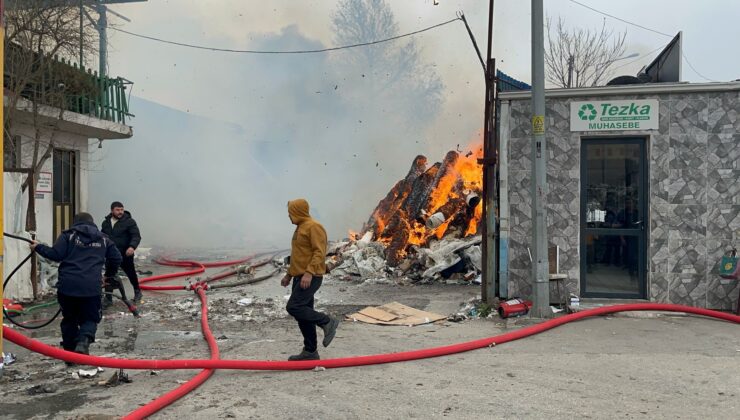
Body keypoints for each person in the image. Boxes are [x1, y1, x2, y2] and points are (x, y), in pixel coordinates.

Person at [31, 212, 122, 356]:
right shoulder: (104, 239)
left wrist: (38, 247)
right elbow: (116, 258)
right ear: (92, 223)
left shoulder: (69, 236)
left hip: (67, 286)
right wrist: (109, 275)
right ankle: (84, 341)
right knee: (90, 317)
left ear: (75, 222)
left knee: (69, 319)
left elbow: (55, 255)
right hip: (91, 287)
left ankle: (69, 355)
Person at [281, 199, 339, 361]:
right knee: (303, 314)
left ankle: (327, 321)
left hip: (310, 277)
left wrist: (309, 273)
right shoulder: (301, 228)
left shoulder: (314, 227)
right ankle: (310, 351)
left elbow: (319, 252)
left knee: (294, 307)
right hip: (300, 276)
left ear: (299, 212)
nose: (289, 216)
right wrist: (289, 275)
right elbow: (298, 256)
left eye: (291, 213)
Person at [101, 201, 142, 306]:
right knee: (109, 275)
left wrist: (132, 247)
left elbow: (136, 236)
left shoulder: (129, 222)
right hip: (111, 254)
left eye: (122, 210)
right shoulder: (106, 223)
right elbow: (102, 237)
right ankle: (108, 298)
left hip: (125, 253)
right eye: (117, 210)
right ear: (112, 210)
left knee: (130, 273)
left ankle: (137, 292)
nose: (120, 212)